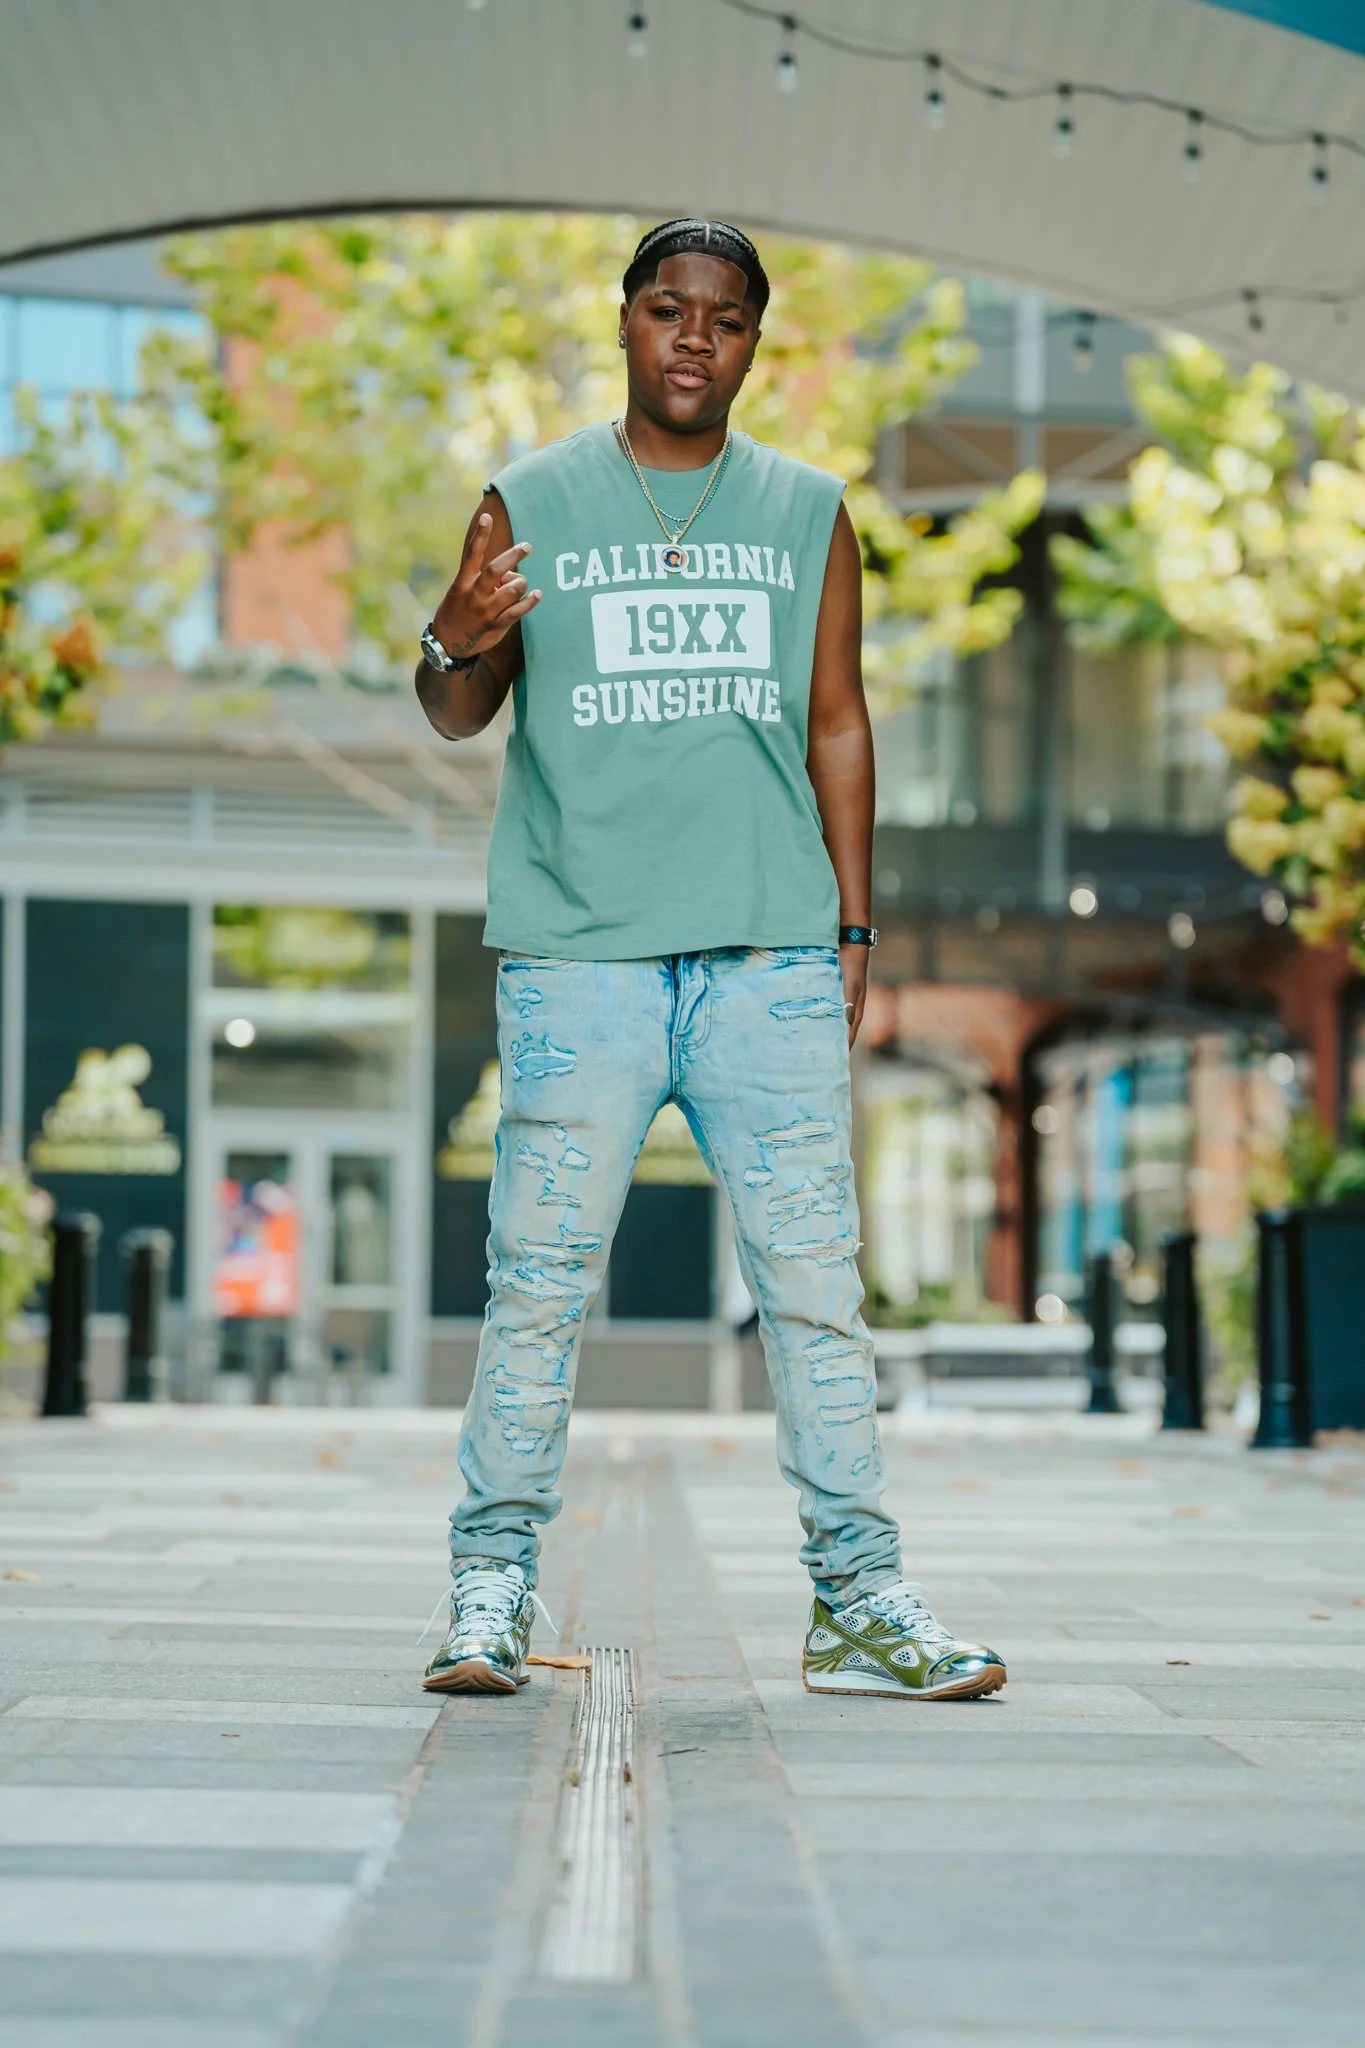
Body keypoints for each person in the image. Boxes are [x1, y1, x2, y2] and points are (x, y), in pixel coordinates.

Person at [414, 218, 1004, 1703]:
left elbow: (838, 725)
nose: (694, 337)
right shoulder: (531, 498)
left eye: (725, 318)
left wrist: (854, 928)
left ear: (751, 342)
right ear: (624, 322)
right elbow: (457, 709)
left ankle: (860, 1602)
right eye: (667, 310)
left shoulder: (808, 510)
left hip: (768, 956)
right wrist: (449, 635)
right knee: (538, 1286)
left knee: (816, 1293)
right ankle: (489, 1585)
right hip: (580, 958)